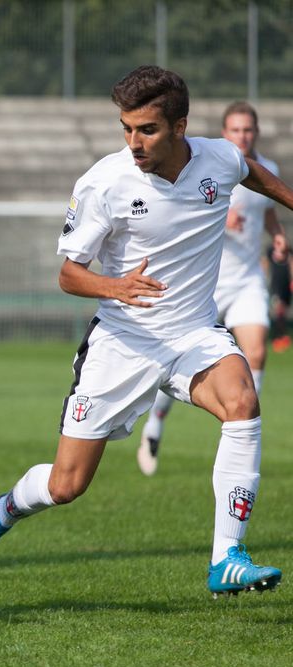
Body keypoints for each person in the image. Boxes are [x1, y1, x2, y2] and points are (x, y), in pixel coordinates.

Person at [0, 66, 291, 598]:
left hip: (193, 334)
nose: (134, 142)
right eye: (126, 128)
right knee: (67, 485)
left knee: (243, 402)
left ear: (180, 127)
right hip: (121, 343)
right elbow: (67, 273)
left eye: (147, 129)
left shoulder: (217, 158)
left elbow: (251, 172)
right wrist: (115, 286)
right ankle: (1, 512)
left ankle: (227, 555)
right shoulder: (104, 181)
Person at [136, 102, 288, 475]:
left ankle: (243, 426)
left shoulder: (268, 169)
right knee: (174, 361)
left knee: (257, 352)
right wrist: (222, 217)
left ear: (256, 132)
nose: (242, 136)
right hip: (209, 282)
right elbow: (181, 220)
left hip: (249, 278)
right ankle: (154, 426)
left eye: (248, 130)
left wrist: (278, 235)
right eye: (235, 131)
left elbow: (266, 207)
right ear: (225, 133)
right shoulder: (212, 169)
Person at [268, 240, 292, 352]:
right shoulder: (270, 251)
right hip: (276, 287)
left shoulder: (288, 251)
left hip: (285, 286)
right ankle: (278, 337)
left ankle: (282, 337)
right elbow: (265, 263)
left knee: (283, 313)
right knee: (279, 311)